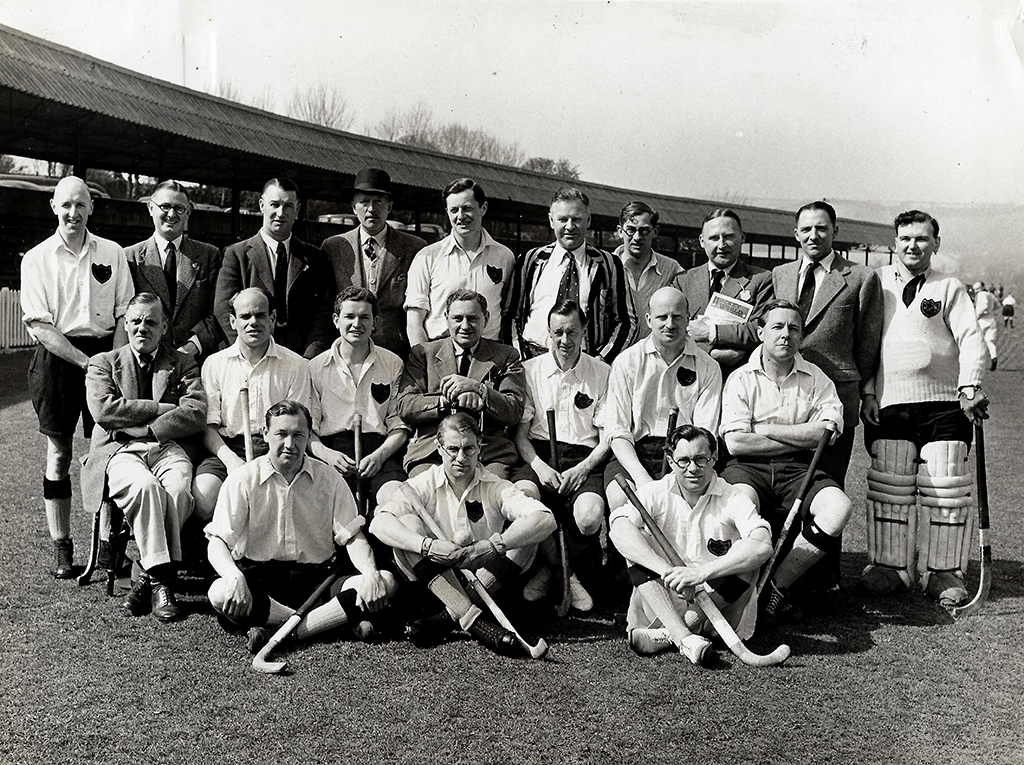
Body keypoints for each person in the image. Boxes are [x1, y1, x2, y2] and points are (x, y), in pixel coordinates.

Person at [860, 211, 989, 607]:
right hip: (891, 401)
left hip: (944, 403)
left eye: (921, 238)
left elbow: (972, 340)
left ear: (935, 243)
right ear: (893, 243)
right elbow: (865, 341)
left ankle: (943, 571)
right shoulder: (877, 281)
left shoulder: (949, 288)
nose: (912, 245)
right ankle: (890, 567)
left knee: (945, 488)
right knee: (890, 486)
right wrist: (867, 391)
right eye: (904, 238)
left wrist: (969, 386)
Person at [207, 400, 397, 653]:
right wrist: (234, 576)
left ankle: (289, 630)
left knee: (386, 581)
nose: (290, 444)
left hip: (317, 582)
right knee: (219, 592)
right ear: (265, 434)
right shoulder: (242, 479)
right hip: (261, 582)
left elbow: (353, 537)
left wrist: (370, 573)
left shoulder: (330, 478)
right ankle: (330, 622)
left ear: (308, 436)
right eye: (281, 434)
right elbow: (218, 540)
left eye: (298, 435)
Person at [20, 176, 135, 577]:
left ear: (92, 209)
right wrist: (86, 364)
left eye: (80, 205)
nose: (73, 212)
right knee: (61, 452)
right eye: (66, 205)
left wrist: (108, 360)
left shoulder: (113, 253)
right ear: (53, 206)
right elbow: (40, 326)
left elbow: (124, 312)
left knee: (109, 449)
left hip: (105, 353)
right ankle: (61, 545)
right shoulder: (36, 258)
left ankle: (107, 545)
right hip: (58, 358)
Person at [369, 413, 557, 656]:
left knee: (526, 535)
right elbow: (379, 524)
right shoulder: (423, 483)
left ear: (480, 448)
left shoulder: (495, 486)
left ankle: (445, 618)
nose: (461, 458)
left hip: (487, 579)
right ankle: (476, 623)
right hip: (432, 582)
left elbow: (545, 518)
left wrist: (494, 545)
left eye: (469, 449)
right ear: (439, 448)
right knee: (406, 525)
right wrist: (428, 546)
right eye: (453, 449)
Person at [719, 300, 852, 626]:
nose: (786, 335)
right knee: (736, 508)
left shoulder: (816, 378)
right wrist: (802, 433)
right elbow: (736, 442)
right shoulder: (741, 378)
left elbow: (827, 432)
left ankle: (777, 585)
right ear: (761, 331)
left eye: (794, 328)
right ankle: (734, 590)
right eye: (777, 327)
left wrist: (765, 429)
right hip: (747, 468)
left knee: (838, 508)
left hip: (798, 469)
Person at [80, 293, 206, 621]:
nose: (142, 328)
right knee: (147, 488)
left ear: (164, 327)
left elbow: (195, 413)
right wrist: (163, 408)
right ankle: (163, 584)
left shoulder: (182, 362)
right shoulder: (103, 363)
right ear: (125, 324)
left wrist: (148, 431)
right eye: (135, 321)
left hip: (165, 448)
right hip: (118, 451)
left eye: (151, 322)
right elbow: (105, 411)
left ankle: (145, 575)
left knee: (179, 490)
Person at [609, 425, 772, 665]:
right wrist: (667, 571)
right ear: (670, 461)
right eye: (683, 461)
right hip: (663, 600)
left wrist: (699, 574)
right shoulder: (655, 492)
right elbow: (619, 530)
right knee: (635, 544)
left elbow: (762, 545)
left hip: (718, 606)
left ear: (714, 458)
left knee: (747, 557)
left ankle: (670, 635)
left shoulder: (733, 496)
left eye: (700, 459)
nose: (692, 468)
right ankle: (684, 636)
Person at [771, 201, 882, 486]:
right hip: (786, 397)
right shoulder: (780, 274)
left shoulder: (861, 277)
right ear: (795, 234)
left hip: (835, 398)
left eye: (821, 228)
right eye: (806, 229)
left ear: (835, 230)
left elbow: (867, 346)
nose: (813, 235)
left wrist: (861, 391)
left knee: (827, 487)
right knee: (784, 488)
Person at [512, 300, 611, 611]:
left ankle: (546, 571)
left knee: (590, 517)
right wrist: (539, 467)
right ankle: (562, 573)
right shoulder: (529, 370)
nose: (565, 341)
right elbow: (520, 436)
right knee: (525, 502)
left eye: (572, 332)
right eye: (558, 333)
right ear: (548, 334)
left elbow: (608, 437)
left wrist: (582, 470)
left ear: (584, 332)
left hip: (585, 458)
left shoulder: (603, 372)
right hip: (538, 455)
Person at [192, 288, 313, 521]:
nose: (253, 322)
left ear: (273, 319)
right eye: (245, 316)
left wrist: (270, 461)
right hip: (227, 448)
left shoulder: (295, 365)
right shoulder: (214, 364)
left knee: (276, 500)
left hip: (277, 448)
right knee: (204, 497)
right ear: (232, 321)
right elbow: (208, 427)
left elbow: (296, 429)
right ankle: (214, 553)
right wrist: (232, 462)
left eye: (260, 315)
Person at [604, 287, 722, 509]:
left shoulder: (709, 367)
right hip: (634, 452)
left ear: (688, 319)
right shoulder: (626, 362)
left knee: (682, 508)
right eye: (662, 317)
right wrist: (643, 479)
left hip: (687, 455)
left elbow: (705, 433)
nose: (670, 324)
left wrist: (682, 471)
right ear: (648, 319)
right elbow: (617, 431)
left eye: (677, 316)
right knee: (622, 502)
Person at [397, 289, 526, 479]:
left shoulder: (506, 356)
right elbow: (406, 406)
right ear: (446, 317)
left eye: (472, 318)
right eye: (458, 318)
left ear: (486, 318)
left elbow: (513, 410)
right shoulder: (423, 353)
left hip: (488, 452)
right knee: (425, 495)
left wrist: (479, 390)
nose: (465, 326)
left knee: (491, 495)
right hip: (433, 451)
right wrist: (445, 401)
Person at [309, 287, 409, 517]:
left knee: (395, 501)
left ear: (374, 322)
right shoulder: (315, 367)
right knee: (331, 511)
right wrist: (327, 456)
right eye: (349, 317)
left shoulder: (392, 363)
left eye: (364, 317)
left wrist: (379, 456)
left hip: (379, 452)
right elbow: (308, 430)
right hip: (334, 453)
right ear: (336, 320)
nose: (357, 323)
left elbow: (399, 426)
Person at [508, 187, 635, 362]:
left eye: (576, 219)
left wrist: (602, 359)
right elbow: (510, 315)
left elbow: (626, 321)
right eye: (562, 219)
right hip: (534, 359)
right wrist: (519, 357)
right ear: (551, 221)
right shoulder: (531, 260)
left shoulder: (609, 264)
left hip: (587, 361)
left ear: (588, 220)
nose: (569, 226)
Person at [215, 178, 334, 359]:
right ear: (262, 205)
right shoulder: (236, 255)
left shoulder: (314, 257)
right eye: (274, 204)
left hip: (300, 359)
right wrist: (247, 353)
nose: (280, 213)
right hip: (251, 358)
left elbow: (322, 314)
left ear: (297, 210)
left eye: (288, 206)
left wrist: (309, 359)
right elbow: (224, 310)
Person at [321, 168, 427, 357]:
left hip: (396, 352)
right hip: (347, 353)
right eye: (364, 202)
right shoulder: (334, 247)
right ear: (354, 207)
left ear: (389, 206)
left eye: (378, 201)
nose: (371, 209)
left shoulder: (414, 248)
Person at [405, 178, 515, 346]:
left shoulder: (505, 257)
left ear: (483, 208)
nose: (461, 216)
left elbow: (509, 314)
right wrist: (424, 361)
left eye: (467, 209)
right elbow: (414, 323)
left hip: (489, 353)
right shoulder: (426, 257)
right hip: (441, 350)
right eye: (454, 210)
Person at [123, 180, 223, 361]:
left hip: (195, 362)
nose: (171, 214)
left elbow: (217, 311)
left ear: (188, 212)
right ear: (150, 208)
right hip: (146, 361)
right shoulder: (130, 257)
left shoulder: (209, 255)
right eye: (165, 206)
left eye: (179, 208)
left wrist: (193, 347)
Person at [675, 209, 773, 377]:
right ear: (702, 241)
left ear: (742, 237)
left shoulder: (762, 280)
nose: (721, 245)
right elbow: (673, 328)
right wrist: (711, 354)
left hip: (738, 377)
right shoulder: (682, 281)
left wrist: (711, 333)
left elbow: (761, 329)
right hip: (688, 374)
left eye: (728, 236)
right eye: (714, 238)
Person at [613, 201, 682, 342]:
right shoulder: (606, 267)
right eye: (631, 230)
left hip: (655, 357)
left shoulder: (672, 269)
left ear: (655, 231)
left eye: (644, 230)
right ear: (620, 231)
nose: (637, 237)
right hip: (612, 357)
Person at [972, 281, 1000, 371]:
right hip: (991, 320)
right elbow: (998, 305)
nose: (976, 291)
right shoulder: (990, 295)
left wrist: (977, 316)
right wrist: (990, 310)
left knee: (977, 341)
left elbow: (984, 306)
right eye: (975, 289)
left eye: (977, 289)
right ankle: (994, 358)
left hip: (982, 321)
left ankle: (977, 362)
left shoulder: (981, 295)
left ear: (982, 287)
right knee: (990, 342)